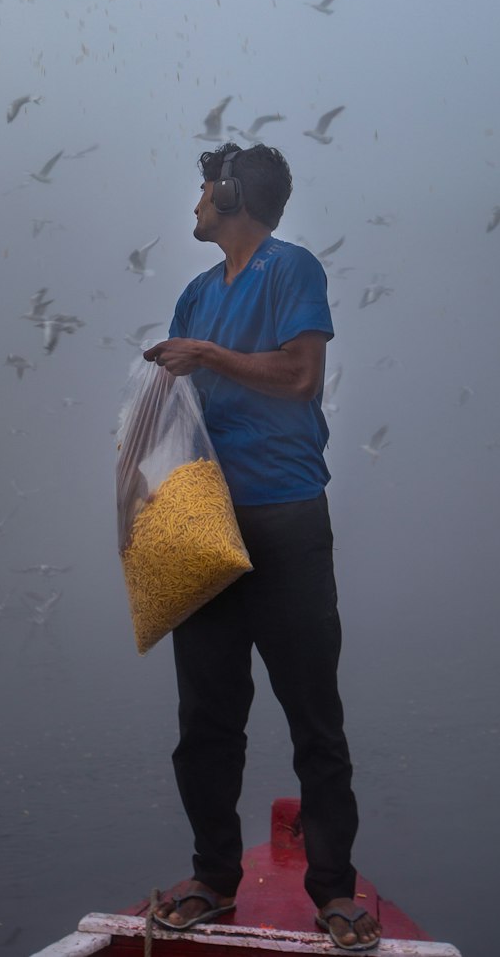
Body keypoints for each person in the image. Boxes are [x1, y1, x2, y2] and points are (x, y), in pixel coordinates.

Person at [142, 142, 380, 953]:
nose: (198, 198)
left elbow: (300, 376)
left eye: (208, 186)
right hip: (204, 518)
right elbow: (174, 411)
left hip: (285, 517)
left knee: (313, 712)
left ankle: (335, 890)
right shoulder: (194, 294)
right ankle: (213, 878)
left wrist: (207, 355)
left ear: (236, 195)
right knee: (205, 717)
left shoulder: (290, 270)